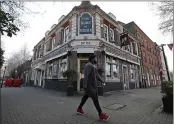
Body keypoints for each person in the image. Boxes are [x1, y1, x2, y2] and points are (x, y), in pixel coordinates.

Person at [76, 54, 110, 120]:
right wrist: (85, 86)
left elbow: (97, 76)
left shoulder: (92, 66)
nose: (96, 60)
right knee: (95, 100)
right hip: (90, 87)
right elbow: (86, 76)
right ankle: (101, 114)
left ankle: (79, 108)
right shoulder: (88, 66)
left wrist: (102, 81)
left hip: (91, 86)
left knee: (85, 97)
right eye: (95, 58)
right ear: (92, 59)